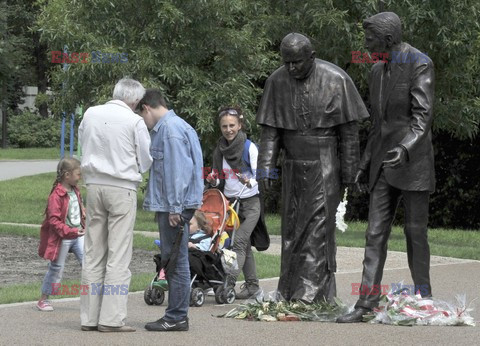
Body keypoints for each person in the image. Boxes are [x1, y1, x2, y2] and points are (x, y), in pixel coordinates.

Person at [337, 12, 435, 323]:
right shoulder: (377, 71)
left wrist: (405, 148)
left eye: (370, 40)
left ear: (388, 39)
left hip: (413, 162)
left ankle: (423, 297)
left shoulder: (420, 63)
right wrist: (364, 164)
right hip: (382, 165)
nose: (365, 46)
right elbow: (378, 126)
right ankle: (366, 303)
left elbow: (423, 117)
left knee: (414, 233)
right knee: (374, 233)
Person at [256, 33, 369, 303]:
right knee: (292, 231)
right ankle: (290, 290)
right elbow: (270, 132)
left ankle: (313, 295)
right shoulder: (276, 81)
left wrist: (350, 173)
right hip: (293, 165)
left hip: (324, 162)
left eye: (297, 62)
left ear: (312, 57)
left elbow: (349, 133)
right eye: (287, 63)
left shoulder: (337, 79)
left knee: (318, 229)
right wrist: (265, 168)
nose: (292, 68)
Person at [79, 78, 152, 332]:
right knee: (118, 256)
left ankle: (89, 318)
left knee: (93, 252)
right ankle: (111, 319)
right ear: (135, 101)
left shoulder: (90, 113)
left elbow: (82, 142)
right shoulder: (135, 121)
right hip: (122, 187)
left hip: (94, 186)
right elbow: (145, 158)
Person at [138, 89, 203, 332]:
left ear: (147, 108)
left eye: (142, 116)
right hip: (175, 205)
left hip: (172, 206)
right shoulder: (179, 126)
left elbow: (177, 172)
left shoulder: (169, 131)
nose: (144, 124)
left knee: (175, 261)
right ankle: (177, 315)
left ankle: (176, 316)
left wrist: (176, 207)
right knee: (176, 259)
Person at [206, 106, 262, 299]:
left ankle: (228, 282)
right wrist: (214, 181)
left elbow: (260, 175)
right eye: (224, 126)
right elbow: (219, 179)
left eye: (232, 125)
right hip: (229, 205)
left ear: (239, 125)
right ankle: (253, 287)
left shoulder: (250, 148)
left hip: (251, 203)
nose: (228, 130)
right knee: (242, 245)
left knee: (238, 241)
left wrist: (250, 181)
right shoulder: (219, 150)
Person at [37, 157, 86, 311]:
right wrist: (71, 231)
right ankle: (43, 299)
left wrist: (83, 213)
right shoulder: (56, 196)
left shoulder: (75, 190)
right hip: (63, 238)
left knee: (89, 264)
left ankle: (95, 297)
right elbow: (54, 221)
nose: (80, 177)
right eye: (78, 174)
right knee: (56, 268)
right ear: (67, 175)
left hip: (78, 235)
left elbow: (77, 209)